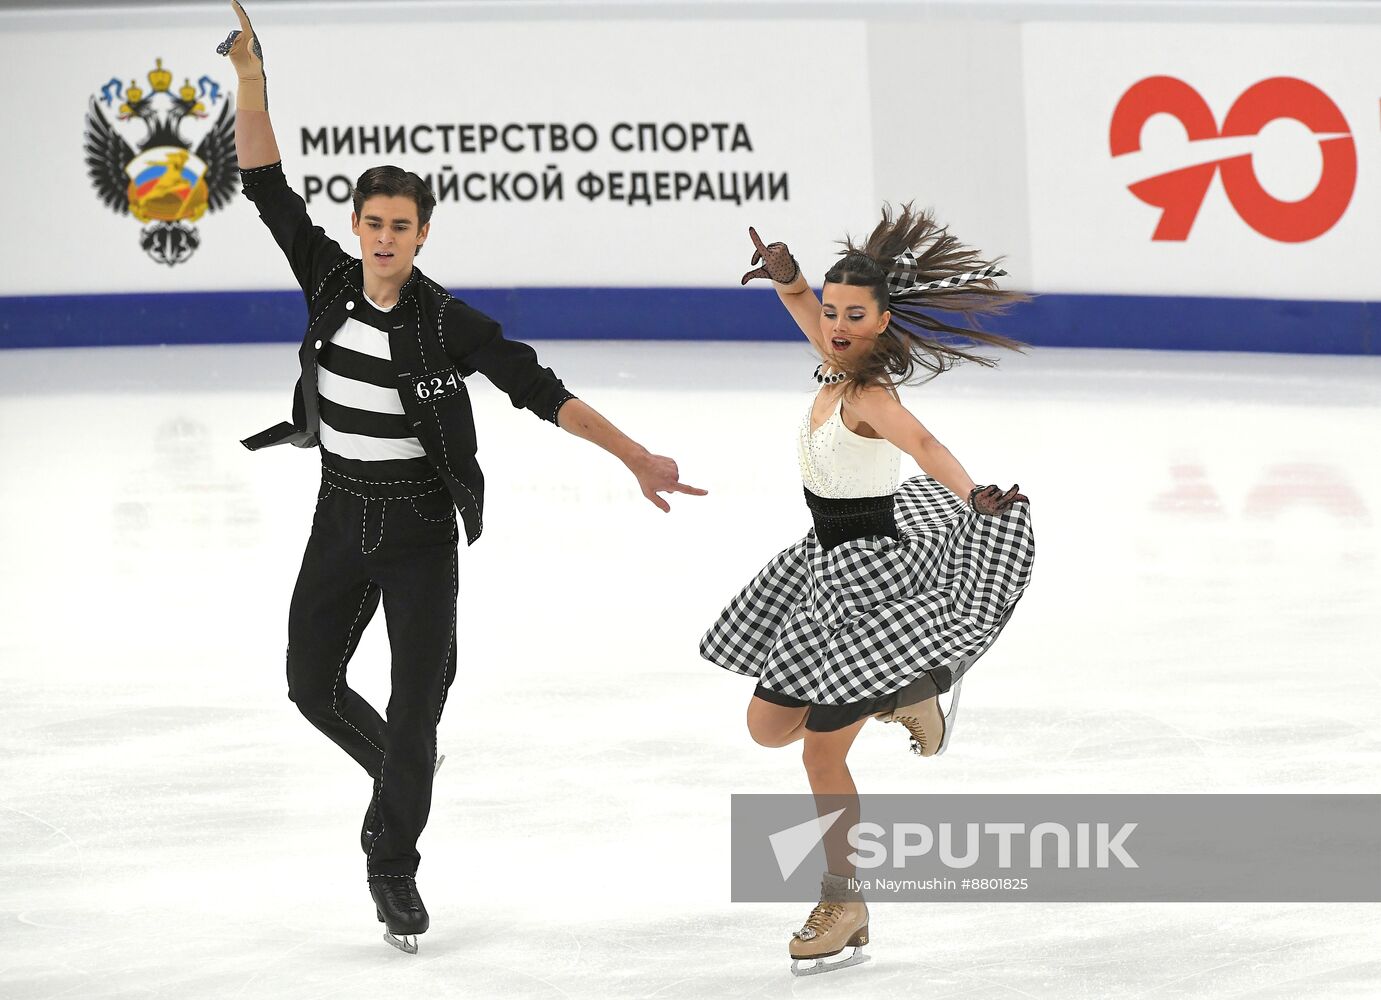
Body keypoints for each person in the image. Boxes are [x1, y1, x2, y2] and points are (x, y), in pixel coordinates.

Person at [217, 1, 705, 954]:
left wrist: (634, 455)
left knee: (415, 703)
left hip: (417, 534)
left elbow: (537, 388)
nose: (385, 238)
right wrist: (250, 78)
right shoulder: (325, 278)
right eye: (373, 223)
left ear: (424, 233)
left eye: (403, 225)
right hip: (338, 512)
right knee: (310, 686)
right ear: (356, 227)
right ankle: (404, 771)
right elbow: (266, 181)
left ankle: (392, 865)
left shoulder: (448, 322)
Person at [700, 207, 1035, 975]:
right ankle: (904, 697)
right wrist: (788, 280)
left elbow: (924, 443)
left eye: (855, 315)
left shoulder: (869, 394)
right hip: (819, 568)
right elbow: (803, 311)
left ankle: (843, 900)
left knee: (820, 753)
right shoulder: (830, 357)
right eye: (831, 310)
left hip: (867, 589)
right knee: (766, 727)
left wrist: (972, 491)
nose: (839, 324)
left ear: (882, 322)